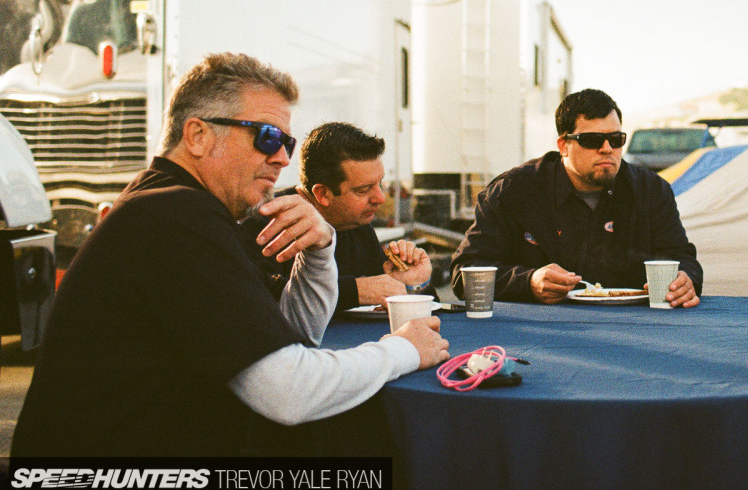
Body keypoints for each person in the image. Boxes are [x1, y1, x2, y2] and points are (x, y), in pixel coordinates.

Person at [12, 53, 450, 457]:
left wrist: (319, 252)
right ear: (198, 135)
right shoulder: (174, 215)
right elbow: (289, 393)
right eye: (266, 136)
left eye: (287, 143)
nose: (281, 158)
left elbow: (293, 336)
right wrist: (402, 349)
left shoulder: (175, 205)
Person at [450, 88, 702, 306]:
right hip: (539, 331)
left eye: (616, 139)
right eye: (592, 140)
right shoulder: (513, 192)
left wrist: (686, 281)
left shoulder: (650, 191)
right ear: (563, 145)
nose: (607, 148)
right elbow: (465, 274)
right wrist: (528, 282)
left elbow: (682, 257)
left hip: (635, 327)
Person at [242, 122, 435, 312]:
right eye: (364, 190)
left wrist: (414, 284)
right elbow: (254, 299)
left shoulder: (356, 222)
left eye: (379, 184)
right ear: (323, 194)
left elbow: (387, 294)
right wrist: (355, 291)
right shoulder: (265, 223)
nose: (380, 198)